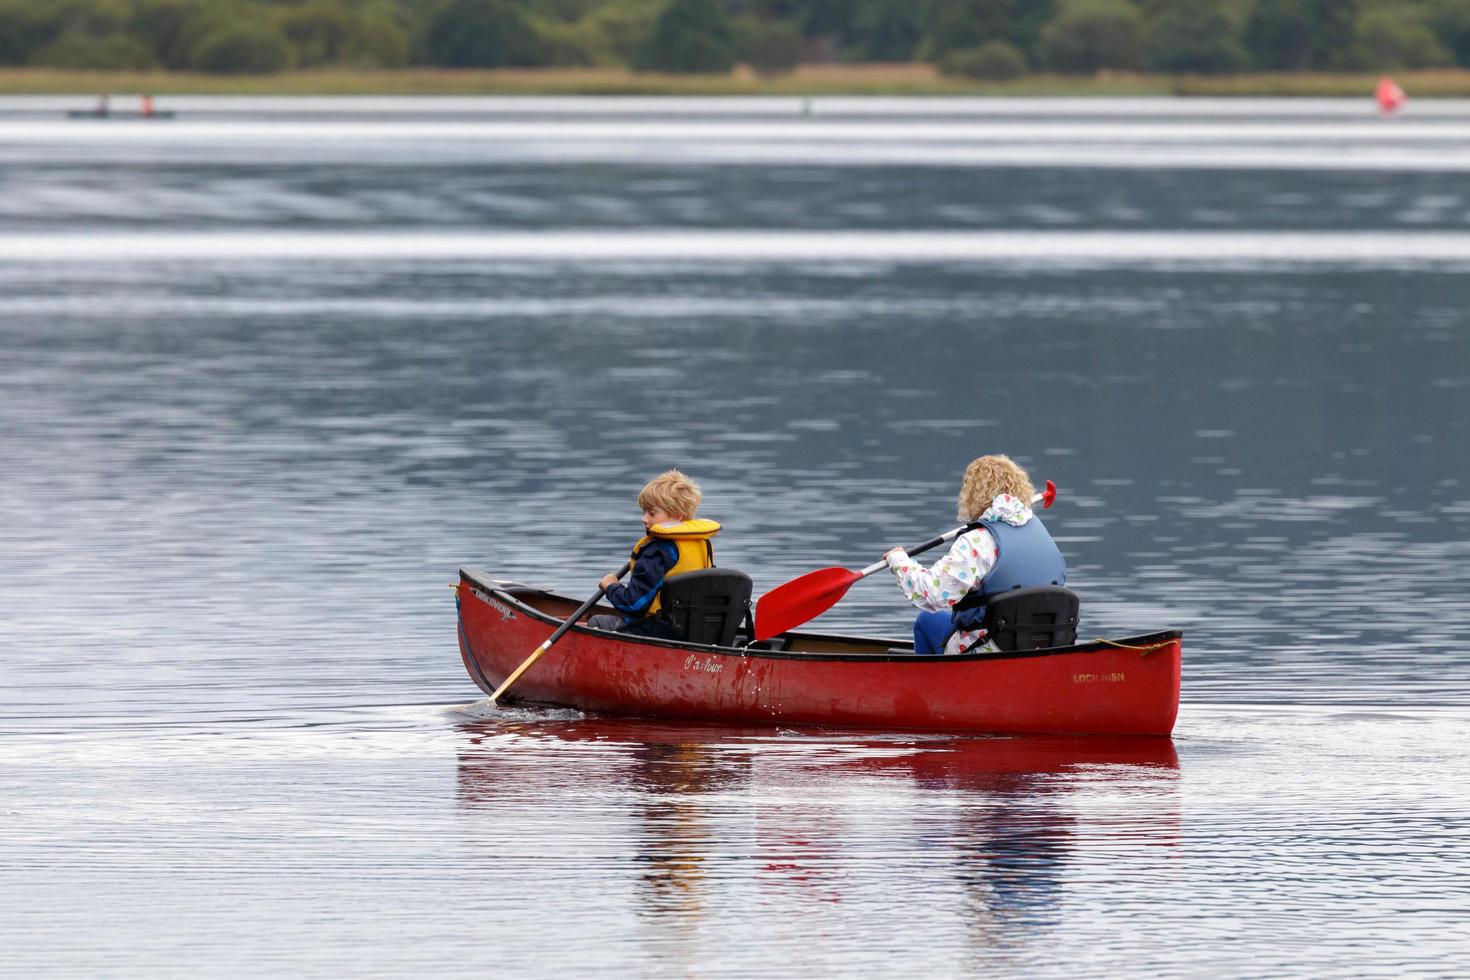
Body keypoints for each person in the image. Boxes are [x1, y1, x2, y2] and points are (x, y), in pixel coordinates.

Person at [884, 455, 1066, 655]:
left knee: (926, 619)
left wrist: (899, 562)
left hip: (990, 648)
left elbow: (932, 594)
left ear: (973, 494)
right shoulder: (1041, 533)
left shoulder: (978, 540)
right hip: (1050, 646)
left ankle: (931, 685)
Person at [587, 469, 720, 639]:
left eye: (651, 513)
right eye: (644, 512)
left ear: (676, 516)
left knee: (597, 622)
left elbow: (633, 604)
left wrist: (611, 586)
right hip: (692, 629)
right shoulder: (702, 543)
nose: (644, 518)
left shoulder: (657, 552)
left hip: (658, 630)